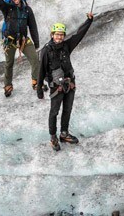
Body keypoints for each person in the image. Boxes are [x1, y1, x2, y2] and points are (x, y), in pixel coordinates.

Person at [37, 13, 94, 151]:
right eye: (57, 34)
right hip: (56, 87)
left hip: (70, 84)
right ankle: (53, 136)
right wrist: (39, 88)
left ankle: (64, 133)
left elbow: (79, 35)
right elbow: (41, 71)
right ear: (52, 35)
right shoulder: (46, 50)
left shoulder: (66, 45)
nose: (59, 37)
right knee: (54, 112)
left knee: (67, 110)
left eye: (61, 34)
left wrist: (89, 20)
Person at [0, 0, 41, 97]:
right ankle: (8, 85)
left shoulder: (27, 10)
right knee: (9, 63)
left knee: (34, 59)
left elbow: (33, 27)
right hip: (10, 40)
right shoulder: (7, 8)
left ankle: (36, 81)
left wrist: (36, 42)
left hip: (23, 39)